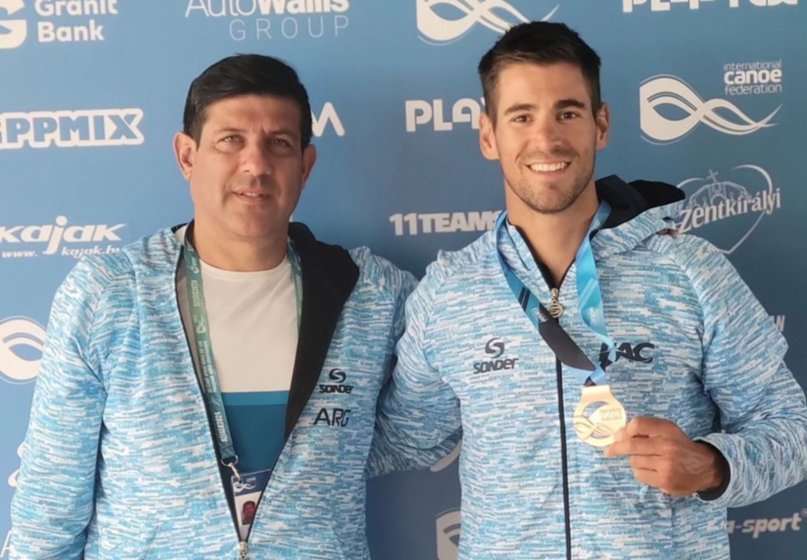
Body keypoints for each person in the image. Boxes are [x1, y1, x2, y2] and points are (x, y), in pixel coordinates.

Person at [374, 22, 807, 559]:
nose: (546, 140)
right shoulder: (449, 293)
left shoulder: (689, 271)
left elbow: (791, 429)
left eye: (568, 113)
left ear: (600, 125)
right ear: (488, 135)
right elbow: (401, 437)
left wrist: (712, 465)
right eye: (522, 116)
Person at [10, 54, 419, 559]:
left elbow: (419, 432)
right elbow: (49, 508)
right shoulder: (110, 293)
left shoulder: (371, 295)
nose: (256, 165)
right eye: (231, 140)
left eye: (279, 143)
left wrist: (320, 466)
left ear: (305, 166)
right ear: (187, 156)